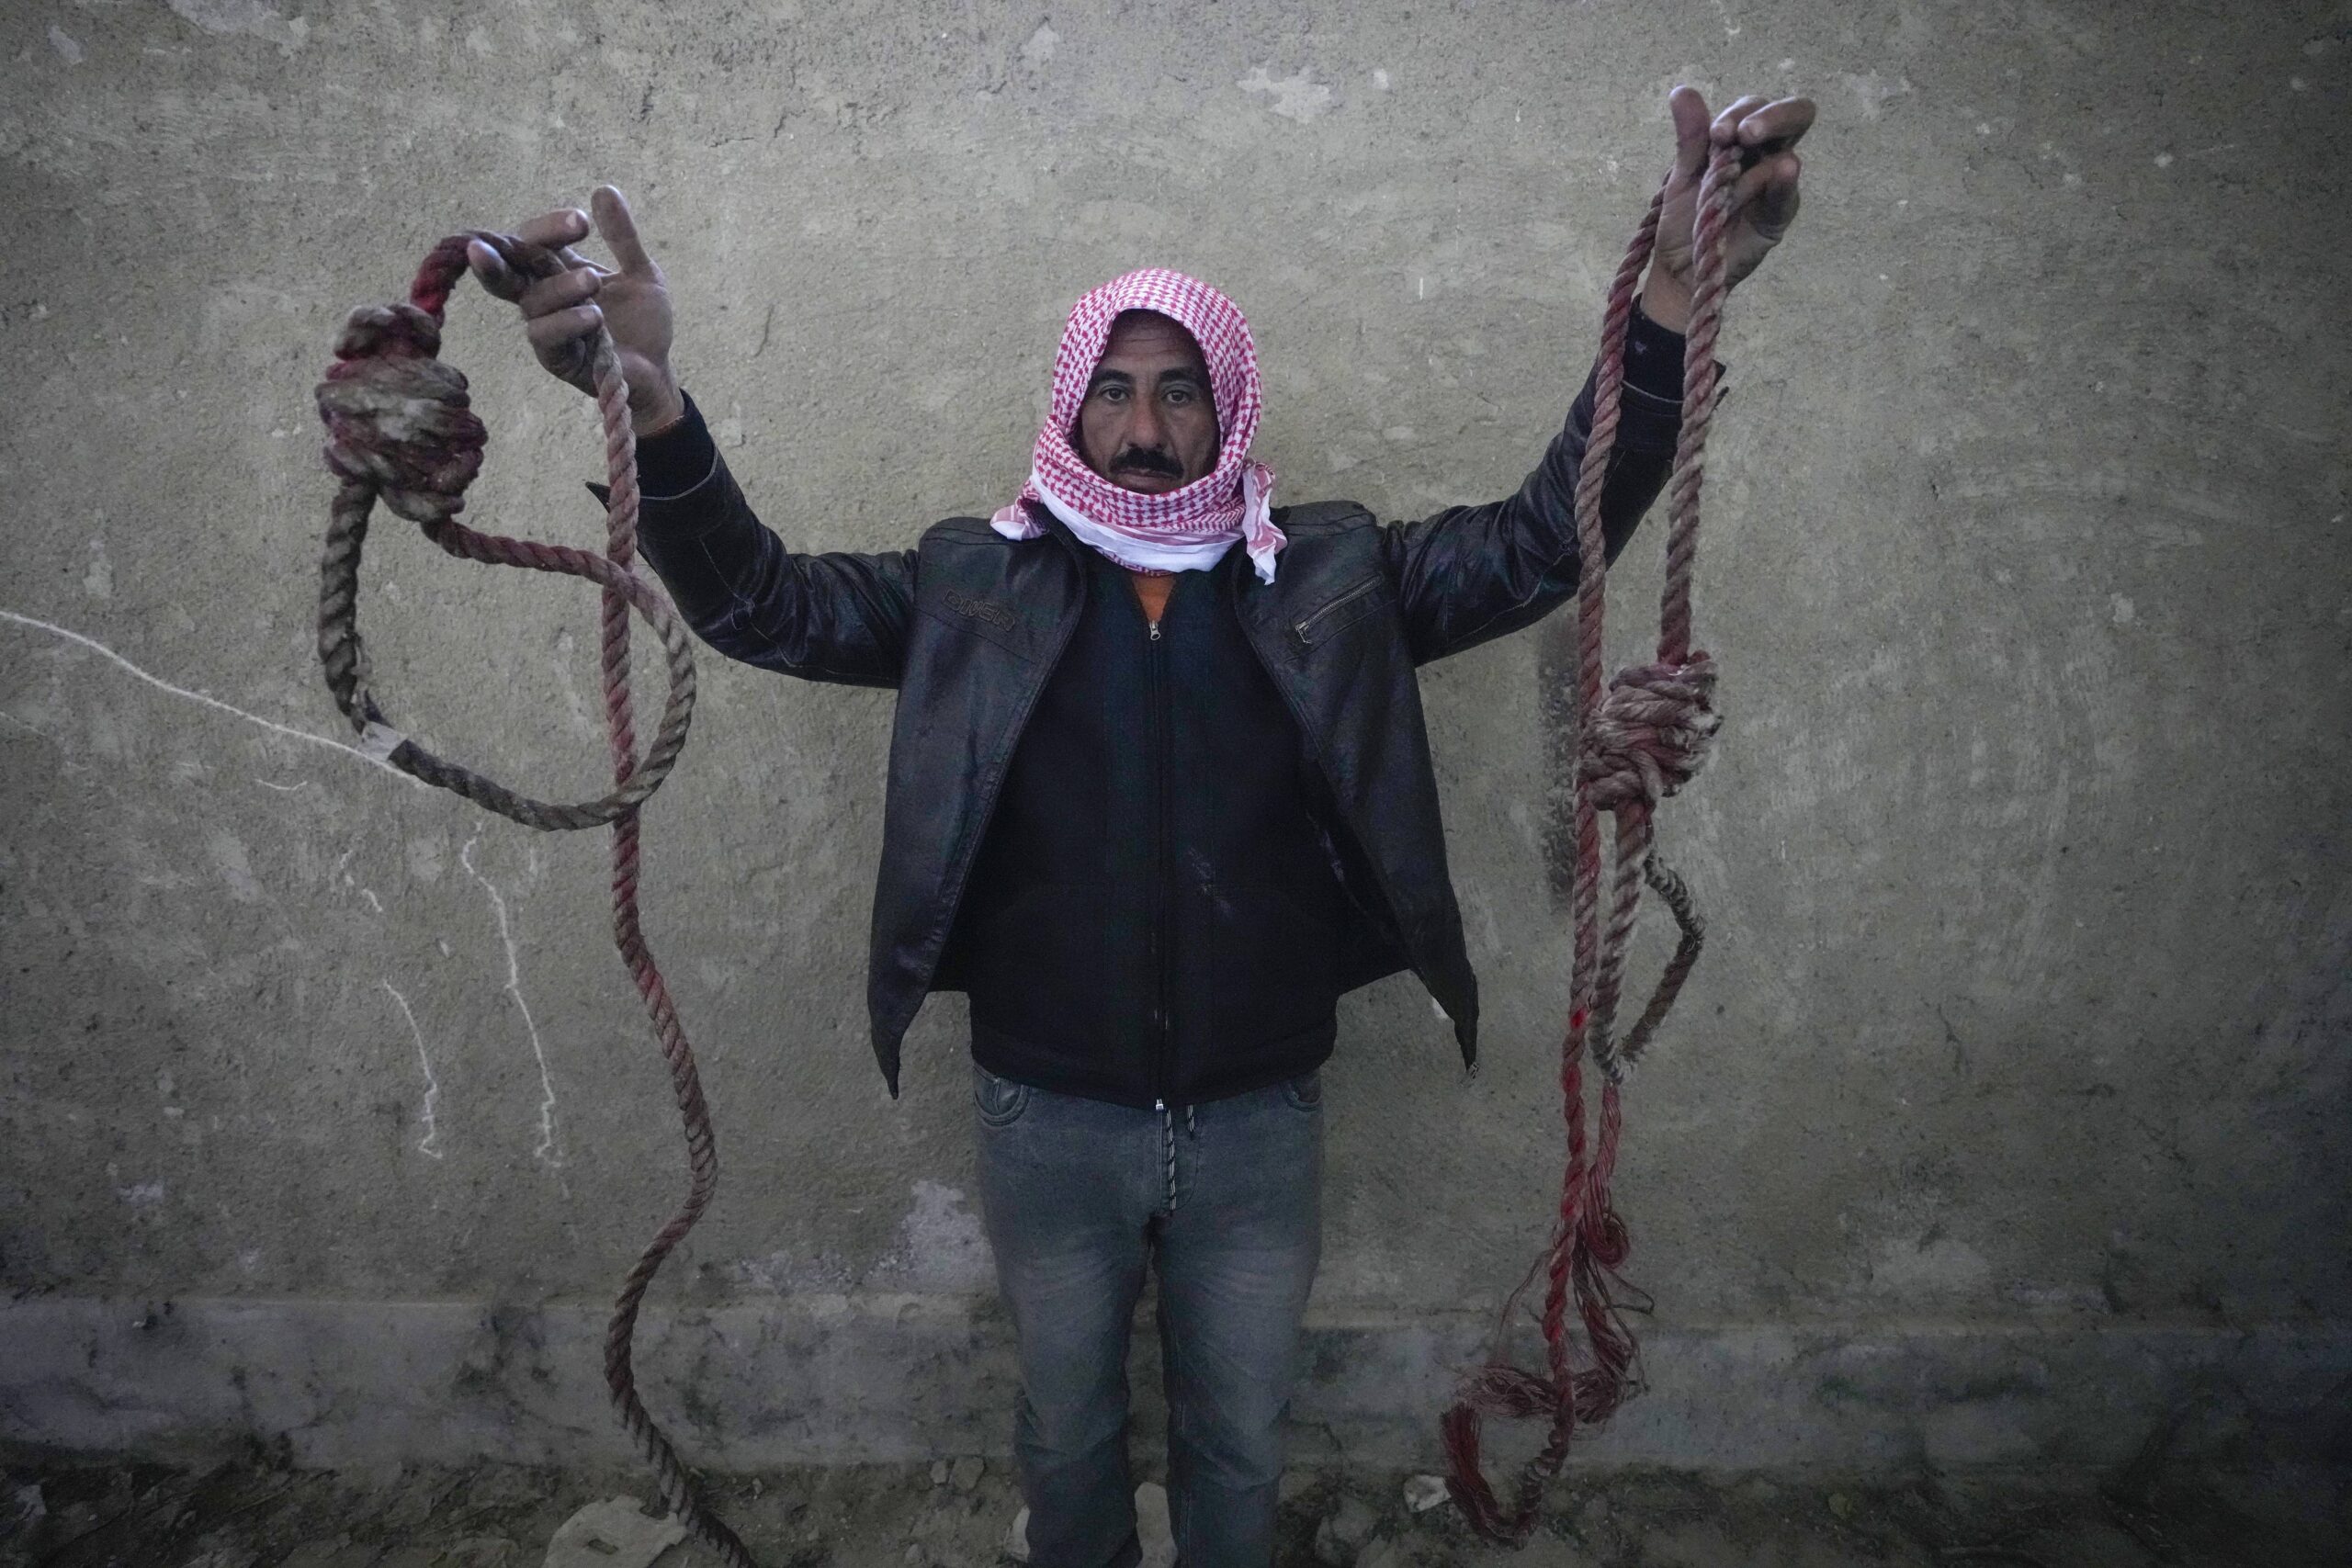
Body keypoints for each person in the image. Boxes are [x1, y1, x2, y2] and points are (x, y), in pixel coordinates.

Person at [470, 85, 1812, 1568]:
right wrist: (648, 407)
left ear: (1227, 406)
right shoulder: (974, 586)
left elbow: (1541, 540)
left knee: (1239, 1439)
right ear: (1068, 405)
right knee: (1069, 1433)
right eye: (1114, 389)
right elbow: (759, 605)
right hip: (1049, 1116)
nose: (1146, 426)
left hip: (1260, 1115)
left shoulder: (1332, 577)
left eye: (1180, 391)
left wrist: (1675, 304)